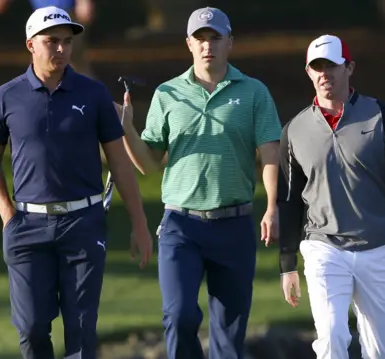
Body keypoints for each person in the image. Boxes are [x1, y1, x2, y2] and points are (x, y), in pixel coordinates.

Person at [0, 6, 152, 359]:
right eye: (51, 42)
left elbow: (119, 161)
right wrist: (7, 215)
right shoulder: (6, 96)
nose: (60, 49)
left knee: (81, 331)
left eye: (67, 42)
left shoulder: (93, 94)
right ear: (30, 45)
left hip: (83, 225)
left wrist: (139, 223)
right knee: (30, 328)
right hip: (27, 227)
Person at [117, 7, 282, 358]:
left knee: (229, 333)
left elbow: (270, 153)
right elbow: (148, 164)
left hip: (234, 224)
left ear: (229, 43)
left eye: (215, 38)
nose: (208, 46)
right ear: (189, 44)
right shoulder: (168, 94)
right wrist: (127, 128)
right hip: (181, 225)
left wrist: (271, 206)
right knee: (178, 316)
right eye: (201, 39)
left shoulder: (253, 92)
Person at [277, 34, 385, 359]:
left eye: (332, 66)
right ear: (308, 71)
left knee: (380, 351)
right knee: (331, 339)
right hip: (324, 247)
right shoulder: (295, 129)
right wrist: (287, 264)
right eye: (317, 67)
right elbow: (289, 200)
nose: (325, 74)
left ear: (349, 68)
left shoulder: (380, 116)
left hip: (379, 247)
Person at [0, 0, 96, 78]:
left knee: (72, 59)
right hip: (42, 17)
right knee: (41, 61)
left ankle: (96, 102)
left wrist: (83, 2)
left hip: (65, 14)